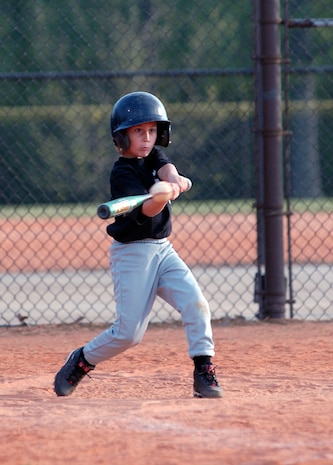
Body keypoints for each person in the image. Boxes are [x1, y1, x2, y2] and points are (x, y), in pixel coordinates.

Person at [54, 91, 223, 399]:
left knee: (197, 305)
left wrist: (174, 182)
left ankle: (204, 370)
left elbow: (167, 168)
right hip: (132, 254)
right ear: (122, 137)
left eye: (151, 131)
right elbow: (146, 210)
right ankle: (82, 359)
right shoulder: (122, 172)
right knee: (129, 334)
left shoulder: (155, 157)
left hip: (163, 250)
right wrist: (159, 198)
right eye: (138, 131)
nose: (147, 138)